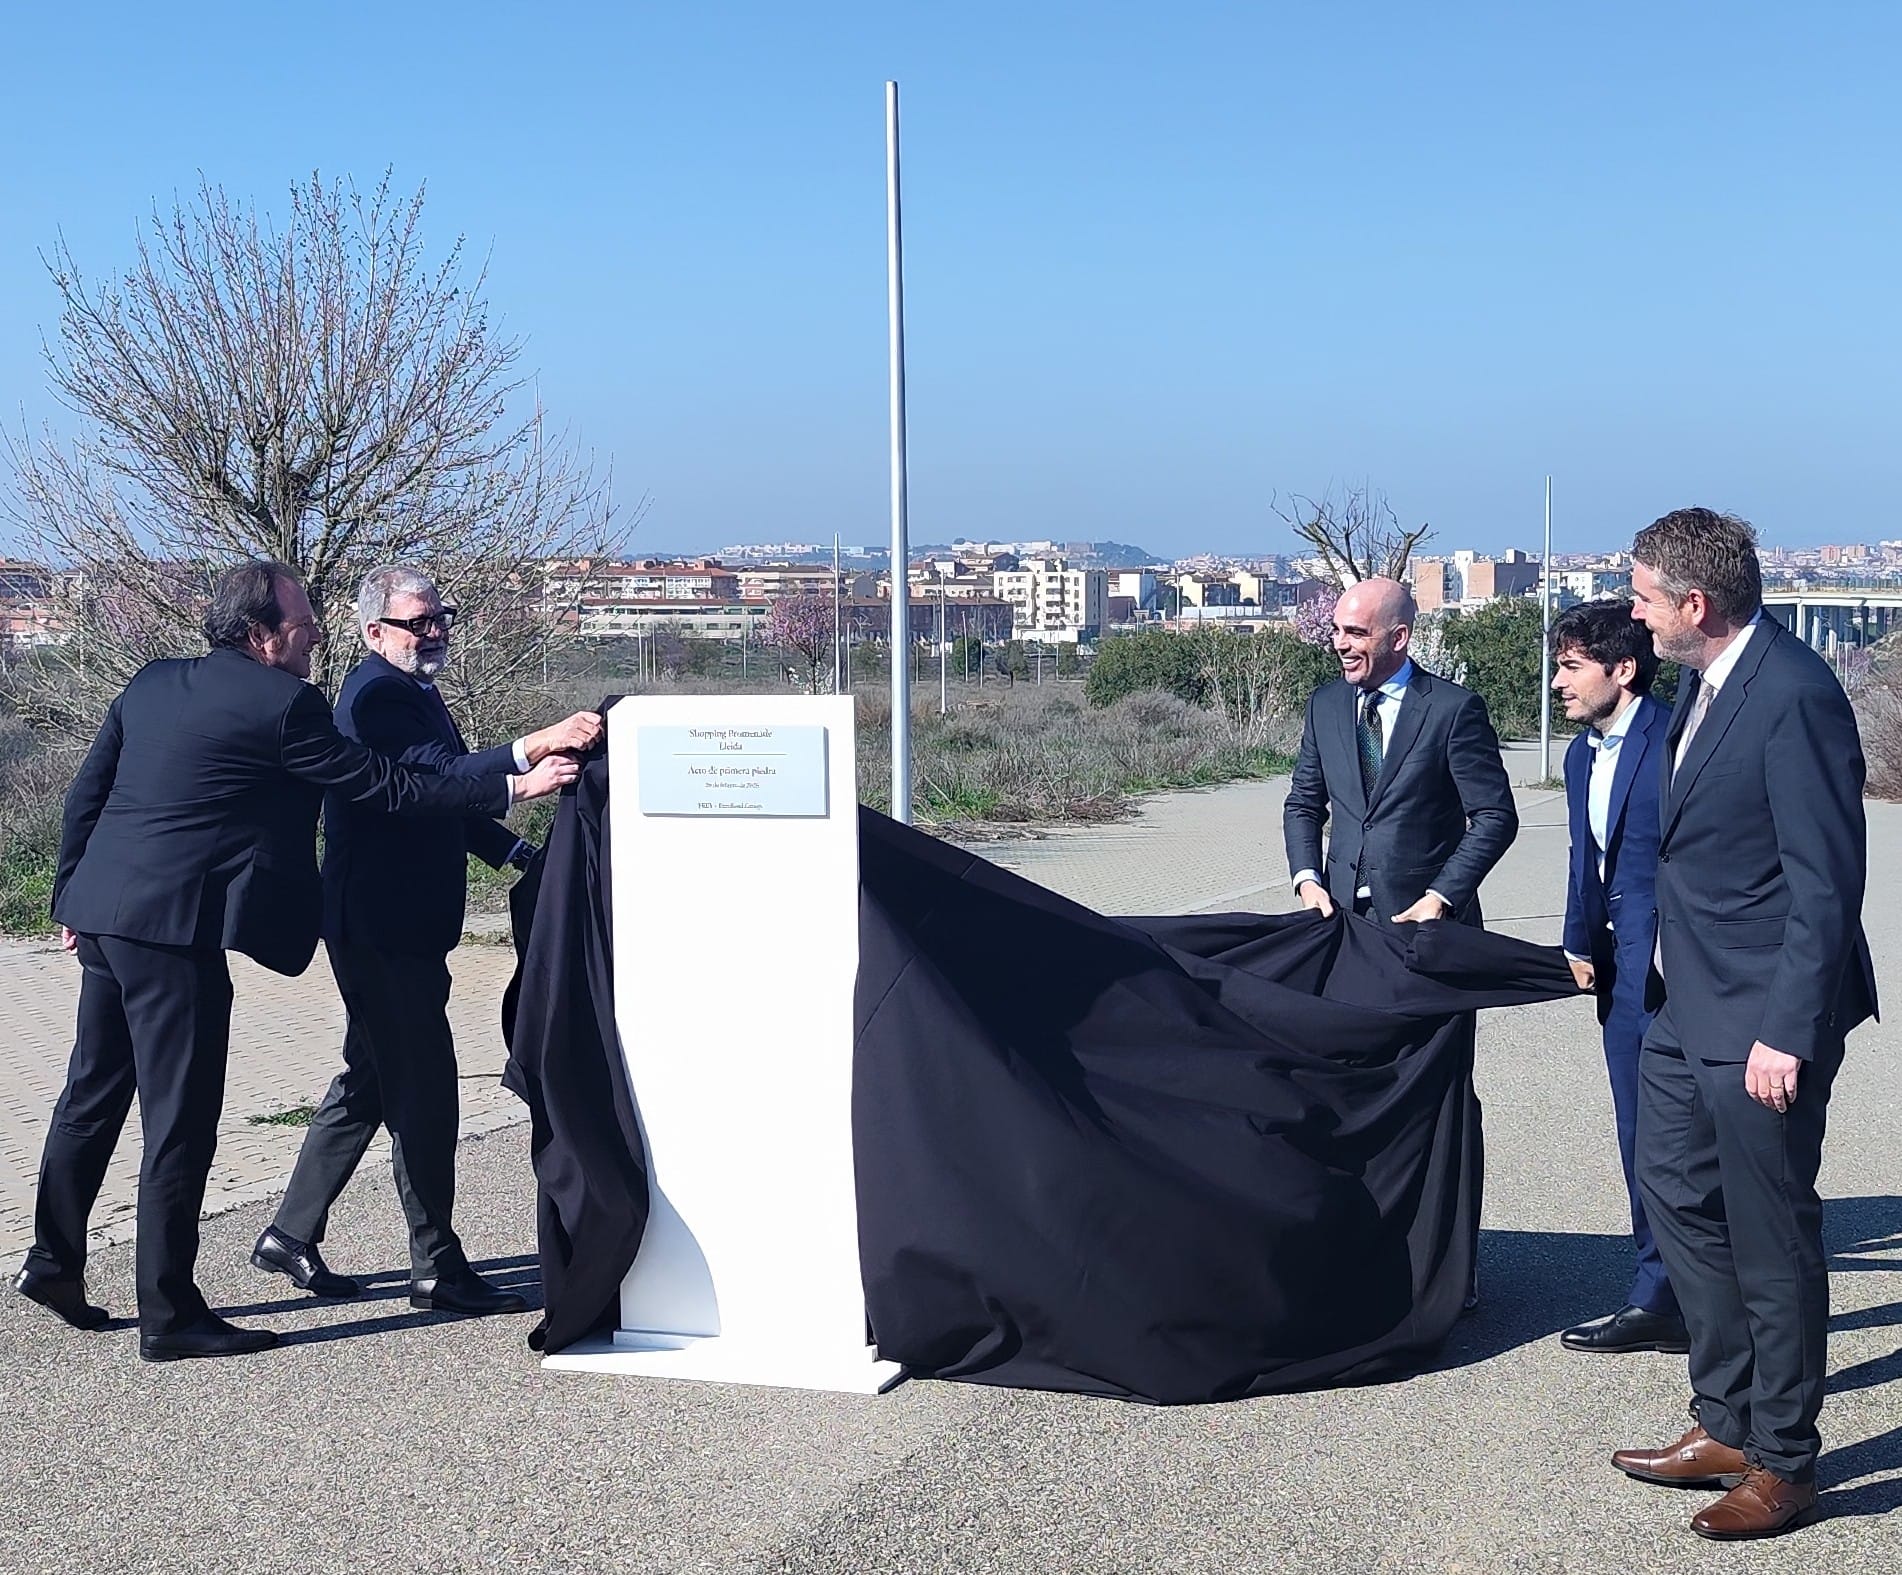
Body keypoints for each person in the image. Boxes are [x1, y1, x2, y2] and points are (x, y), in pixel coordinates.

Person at [13, 560, 578, 1361]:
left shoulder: (154, 680)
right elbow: (386, 786)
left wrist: (70, 896)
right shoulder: (285, 705)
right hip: (176, 933)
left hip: (105, 917)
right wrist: (516, 783)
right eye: (303, 625)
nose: (316, 637)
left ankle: (52, 1260)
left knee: (90, 1098)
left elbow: (89, 793)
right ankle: (170, 1314)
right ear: (261, 635)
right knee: (180, 1122)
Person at [1611, 508, 1877, 1540]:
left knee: (1771, 1238)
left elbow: (1826, 884)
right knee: (1676, 1198)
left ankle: (1786, 1463)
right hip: (1685, 1006)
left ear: (1695, 602)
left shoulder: (1794, 693)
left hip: (1764, 1020)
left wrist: (1788, 1031)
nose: (1634, 614)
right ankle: (1725, 1419)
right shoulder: (1701, 679)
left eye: (1643, 597)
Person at [254, 565, 602, 1317]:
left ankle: (288, 1233)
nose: (435, 631)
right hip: (380, 926)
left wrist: (515, 852)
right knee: (426, 1092)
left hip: (405, 925)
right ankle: (436, 1266)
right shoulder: (374, 696)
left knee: (372, 1079)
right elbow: (433, 778)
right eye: (418, 623)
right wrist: (531, 753)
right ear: (374, 632)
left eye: (440, 617)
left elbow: (446, 799)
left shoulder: (411, 687)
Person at [1282, 576, 1518, 1308]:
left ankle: (1451, 1267)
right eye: (1337, 630)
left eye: (1355, 632)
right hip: (1345, 940)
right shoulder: (1326, 705)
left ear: (1399, 637)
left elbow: (1495, 816)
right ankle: (1372, 1258)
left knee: (1439, 1102)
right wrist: (1307, 879)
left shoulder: (1452, 709)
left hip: (1429, 943)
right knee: (1356, 1096)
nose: (1339, 643)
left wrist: (1440, 897)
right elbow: (1303, 803)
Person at [1550, 601, 1686, 1355]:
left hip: (1682, 965)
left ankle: (1710, 1296)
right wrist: (1578, 941)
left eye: (1572, 667)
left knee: (1690, 1139)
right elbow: (1586, 860)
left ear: (1623, 669)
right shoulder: (1580, 755)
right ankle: (1657, 1294)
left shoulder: (1674, 736)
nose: (1557, 683)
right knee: (1638, 1133)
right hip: (1620, 972)